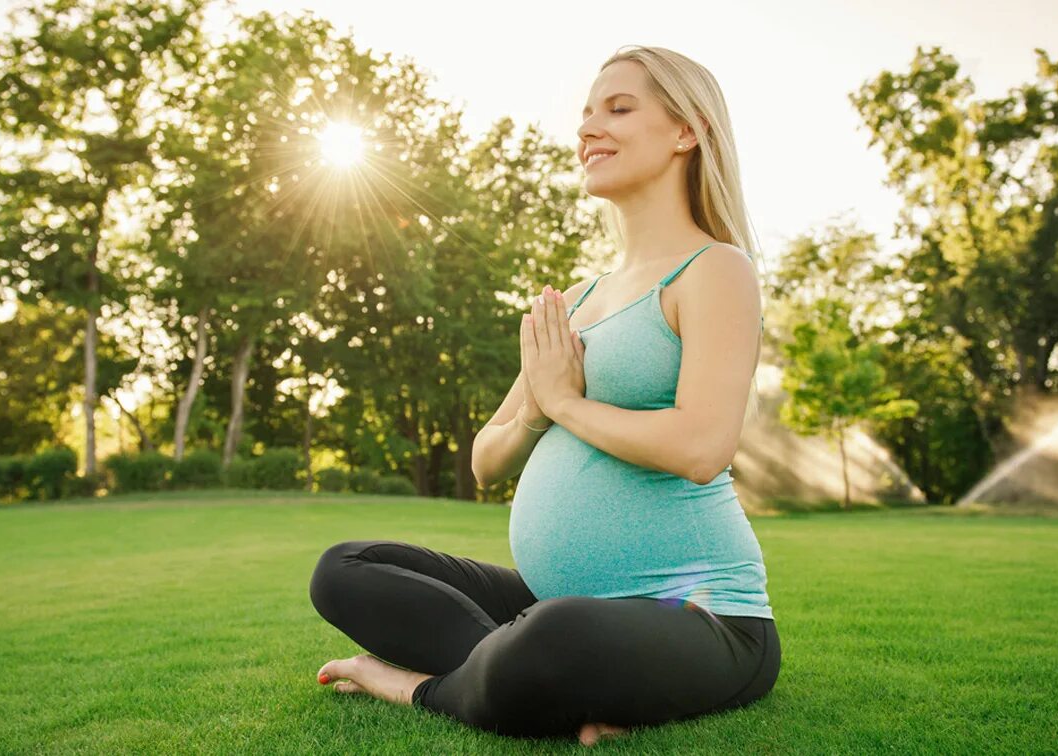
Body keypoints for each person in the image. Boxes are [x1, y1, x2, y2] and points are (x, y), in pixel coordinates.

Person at [309, 44, 780, 746]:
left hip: (703, 618)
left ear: (688, 131)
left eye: (619, 109)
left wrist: (566, 404)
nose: (589, 128)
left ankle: (414, 685)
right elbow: (485, 460)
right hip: (555, 602)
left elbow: (702, 447)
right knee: (345, 570)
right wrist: (535, 408)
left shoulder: (714, 269)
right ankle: (527, 677)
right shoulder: (580, 298)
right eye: (586, 113)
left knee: (557, 635)